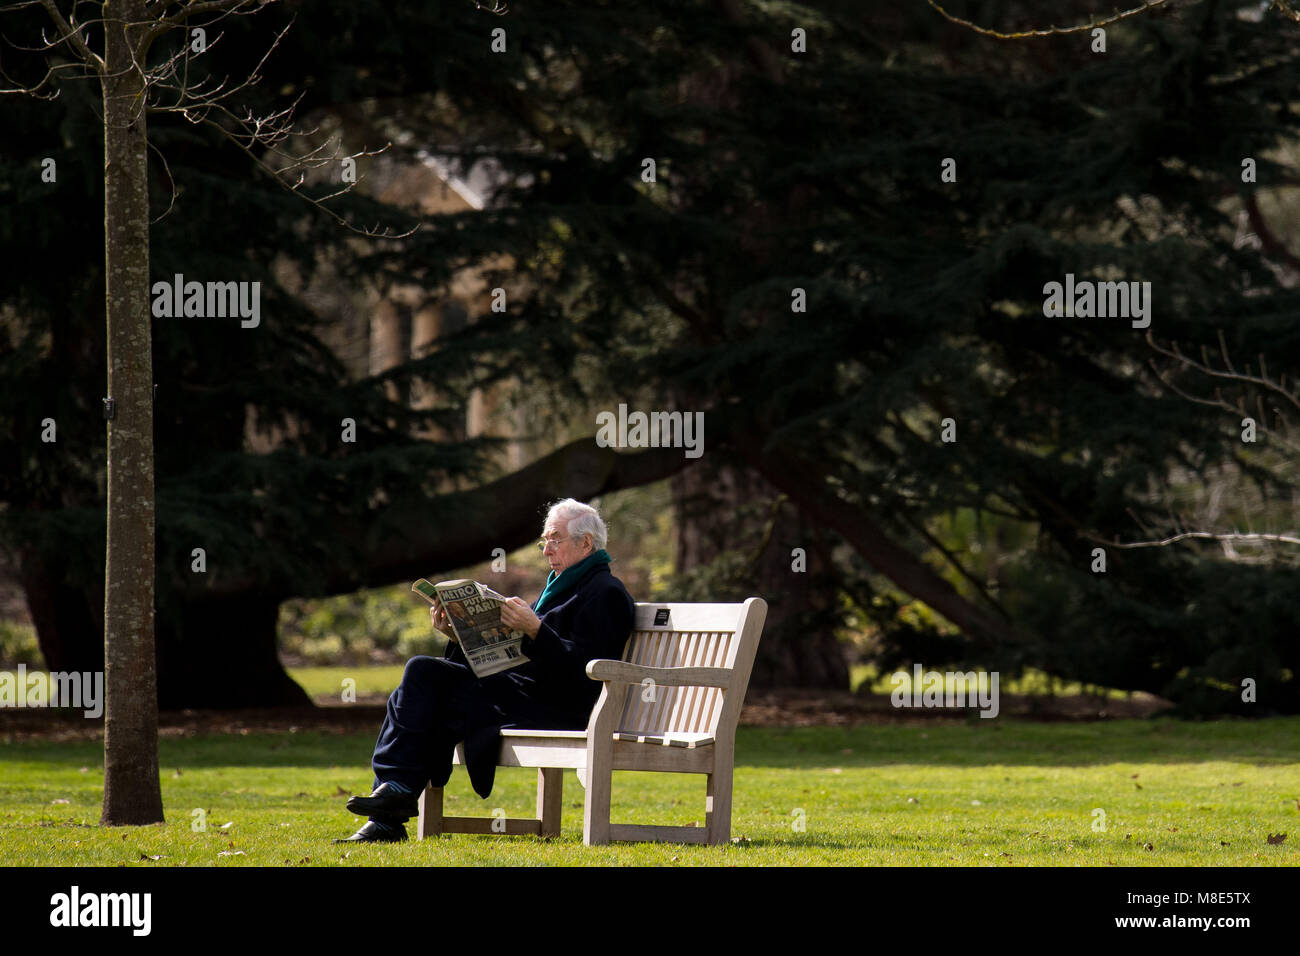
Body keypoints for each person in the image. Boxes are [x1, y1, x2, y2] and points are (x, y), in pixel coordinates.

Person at [335, 497, 636, 843]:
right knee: (420, 675)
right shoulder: (561, 585)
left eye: (555, 539)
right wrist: (457, 632)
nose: (545, 549)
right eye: (544, 540)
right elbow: (512, 652)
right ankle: (392, 799)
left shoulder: (606, 592)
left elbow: (587, 672)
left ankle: (391, 806)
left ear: (586, 542)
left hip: (558, 707)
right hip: (516, 691)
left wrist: (536, 629)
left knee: (423, 692)